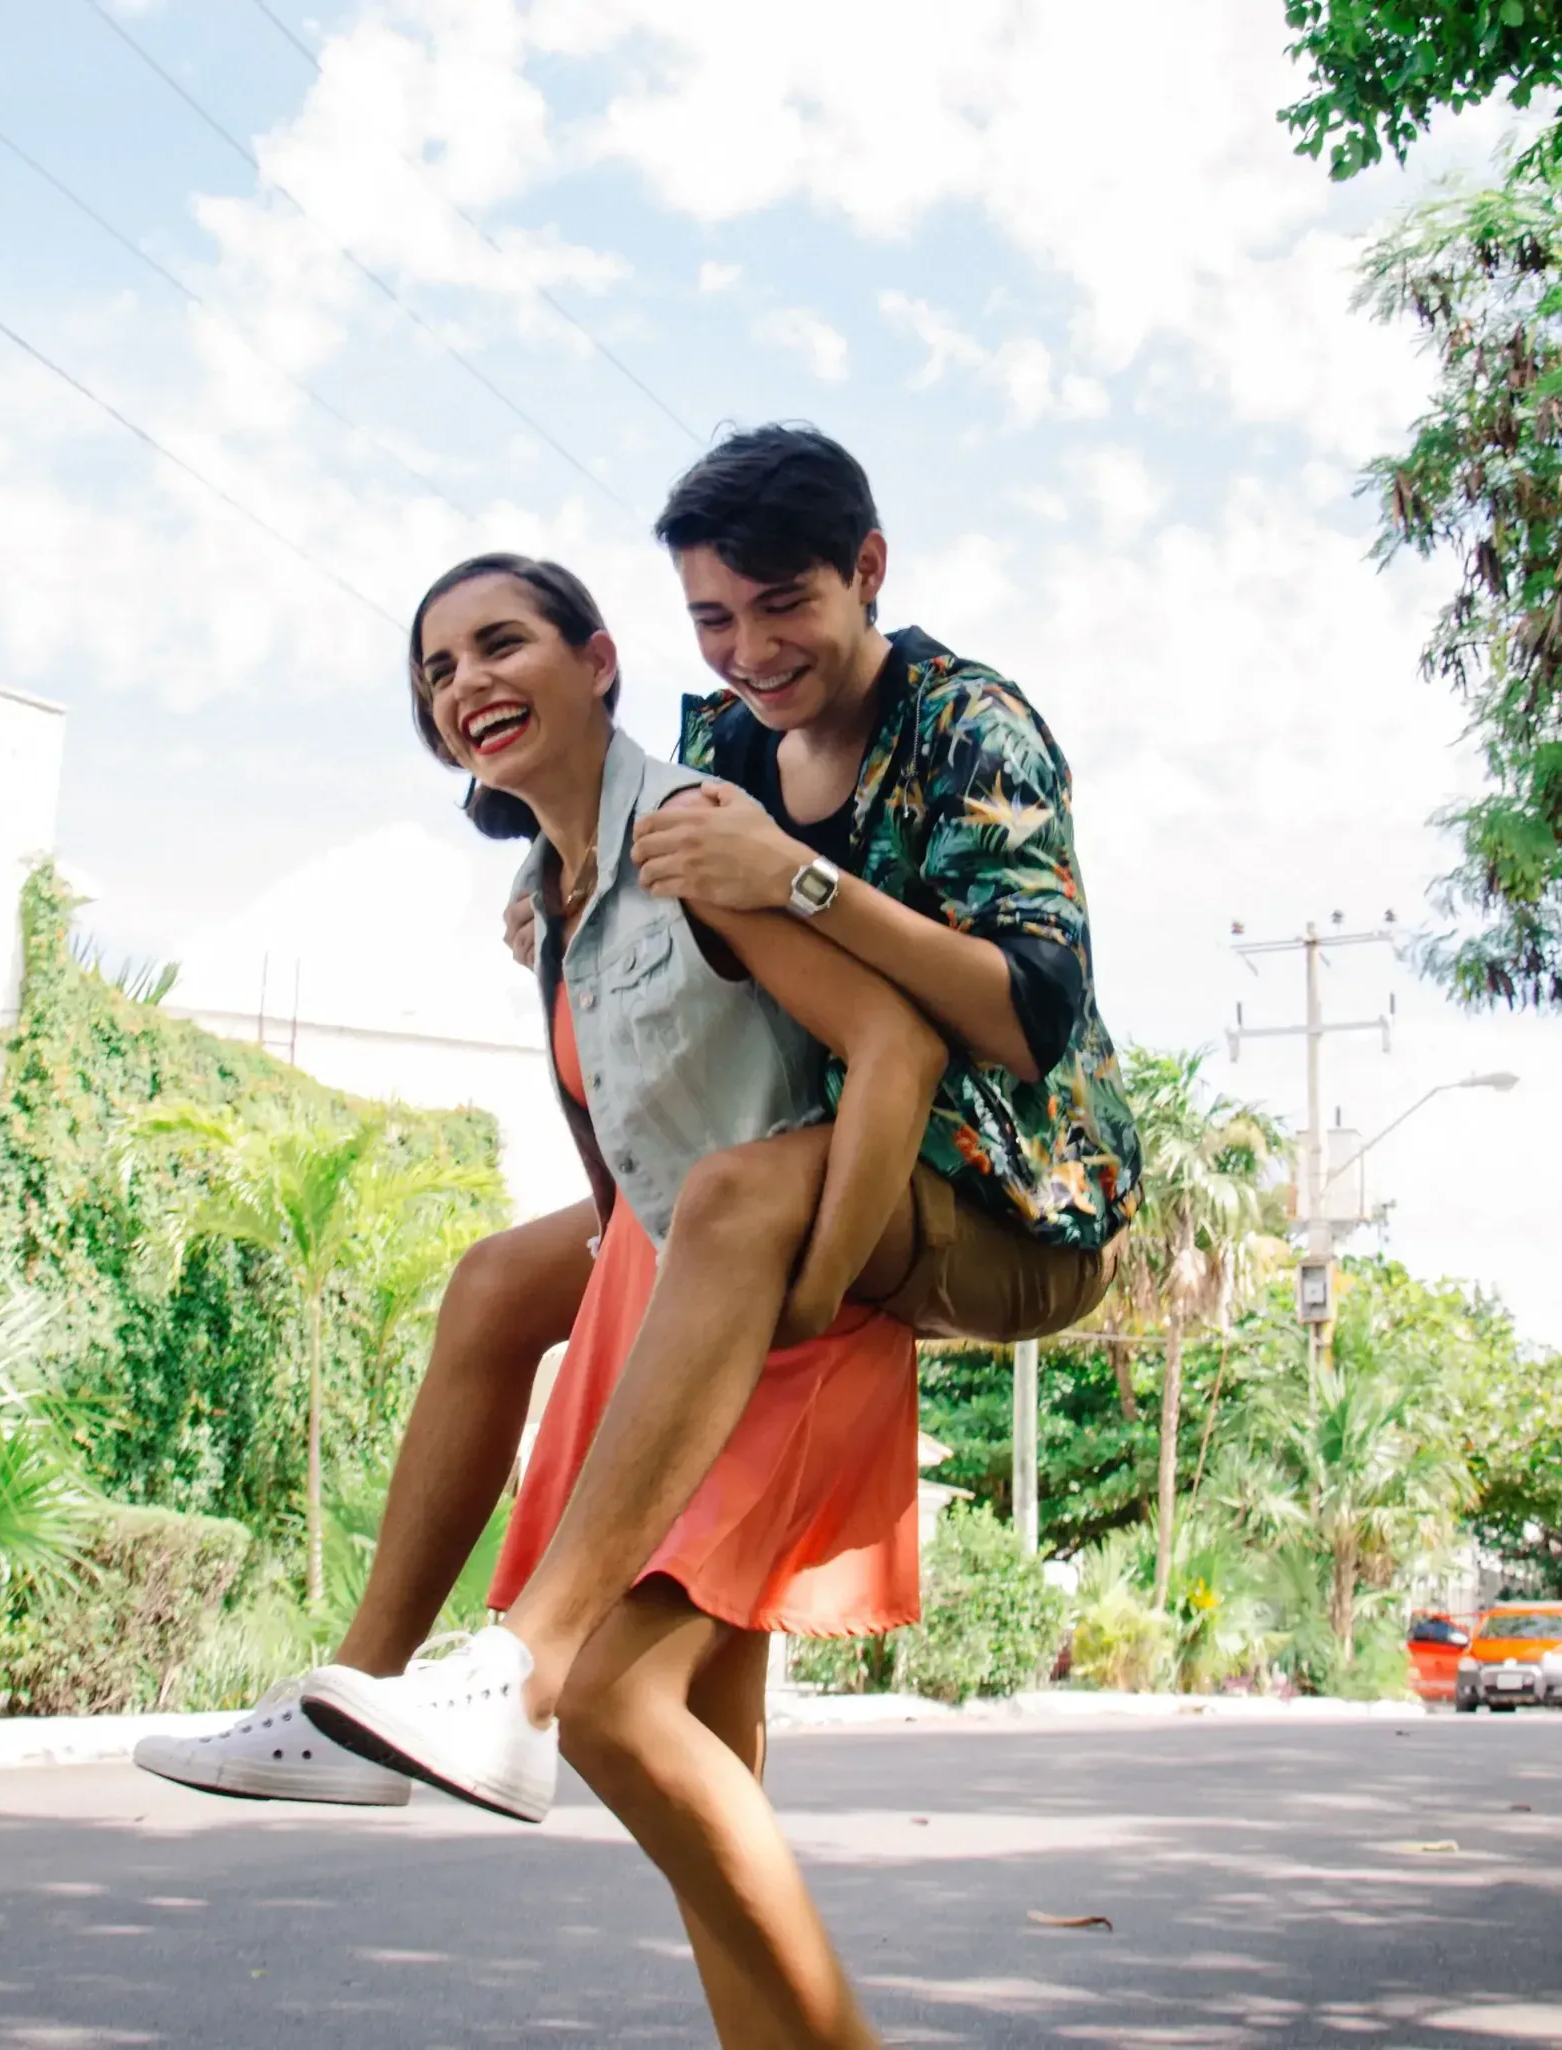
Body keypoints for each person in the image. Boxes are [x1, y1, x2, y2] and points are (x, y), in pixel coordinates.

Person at [137, 425, 1138, 1805]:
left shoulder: (972, 726)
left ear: (868, 571)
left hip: (1007, 1187)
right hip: (810, 1134)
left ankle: (524, 1663)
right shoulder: (725, 737)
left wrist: (798, 879)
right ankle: (352, 1695)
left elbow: (1025, 1014)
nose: (750, 651)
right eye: (715, 620)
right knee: (497, 1283)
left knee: (729, 1202)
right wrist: (570, 898)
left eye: (785, 605)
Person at [388, 552, 931, 2045]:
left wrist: (817, 1282)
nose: (467, 684)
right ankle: (364, 1688)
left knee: (621, 1707)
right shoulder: (557, 901)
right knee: (712, 1761)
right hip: (683, 1314)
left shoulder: (695, 831)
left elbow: (887, 1042)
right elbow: (625, 1156)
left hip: (783, 1313)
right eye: (438, 671)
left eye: (500, 644)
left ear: (600, 658)